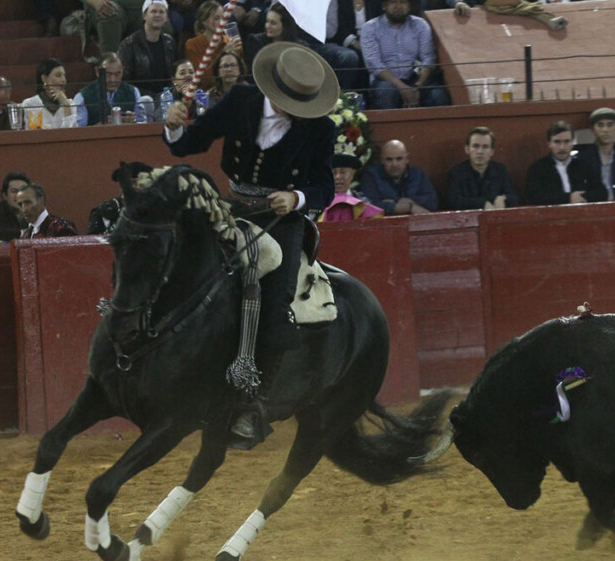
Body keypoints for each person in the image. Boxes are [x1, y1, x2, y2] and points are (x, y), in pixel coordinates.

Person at [163, 42, 338, 441]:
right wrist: (174, 125)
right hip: (233, 207)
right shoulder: (242, 99)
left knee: (276, 304)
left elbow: (325, 186)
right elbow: (189, 143)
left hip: (282, 221)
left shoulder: (320, 128)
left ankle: (254, 402)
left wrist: (296, 198)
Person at [360, 0, 449, 109]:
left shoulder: (420, 25)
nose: (398, 6)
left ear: (409, 6)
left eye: (402, 2)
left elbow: (428, 58)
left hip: (416, 79)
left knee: (438, 94)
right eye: (393, 2)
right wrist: (402, 87)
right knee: (386, 91)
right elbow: (374, 64)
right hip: (386, 80)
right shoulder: (370, 28)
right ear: (384, 6)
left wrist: (418, 86)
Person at [525, 120, 607, 206]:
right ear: (549, 144)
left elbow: (601, 193)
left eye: (566, 141)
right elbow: (534, 197)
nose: (562, 147)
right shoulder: (538, 168)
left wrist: (581, 198)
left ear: (572, 143)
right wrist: (569, 198)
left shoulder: (584, 166)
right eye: (557, 142)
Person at [446, 126, 520, 211]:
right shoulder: (457, 172)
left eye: (485, 147)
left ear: (492, 151)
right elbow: (454, 201)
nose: (480, 152)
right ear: (467, 149)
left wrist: (503, 198)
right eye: (475, 146)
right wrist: (482, 203)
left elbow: (514, 197)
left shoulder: (500, 170)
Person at [359, 139, 438, 214]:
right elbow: (368, 206)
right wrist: (408, 207)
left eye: (399, 159)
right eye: (389, 159)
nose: (394, 164)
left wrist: (409, 201)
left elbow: (433, 202)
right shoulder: (371, 176)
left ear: (406, 159)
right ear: (382, 160)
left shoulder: (417, 174)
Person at [118, 0, 176, 95]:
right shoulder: (128, 44)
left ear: (166, 18)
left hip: (165, 98)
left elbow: (172, 76)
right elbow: (125, 82)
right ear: (144, 16)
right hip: (139, 99)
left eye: (161, 12)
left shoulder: (169, 42)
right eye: (153, 11)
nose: (157, 15)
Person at [75, 52, 149, 126]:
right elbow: (78, 131)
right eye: (108, 74)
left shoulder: (133, 92)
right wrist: (99, 127)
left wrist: (133, 122)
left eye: (118, 74)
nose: (113, 79)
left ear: (123, 71)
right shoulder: (83, 97)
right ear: (97, 72)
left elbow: (143, 125)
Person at [184, 1, 241, 92]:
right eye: (217, 18)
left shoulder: (230, 42)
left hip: (231, 91)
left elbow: (241, 72)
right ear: (204, 21)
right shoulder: (193, 44)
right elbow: (201, 79)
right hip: (205, 93)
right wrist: (223, 54)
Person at [318, 153, 384, 221]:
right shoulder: (318, 202)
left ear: (352, 175)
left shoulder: (363, 201)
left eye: (343, 172)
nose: (337, 177)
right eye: (333, 173)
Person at [21, 57, 78, 129]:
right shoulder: (30, 104)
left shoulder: (70, 104)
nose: (64, 80)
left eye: (64, 76)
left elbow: (72, 135)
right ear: (44, 79)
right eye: (58, 75)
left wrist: (65, 105)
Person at [242, 3, 299, 72]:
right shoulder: (256, 42)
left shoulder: (299, 47)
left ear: (285, 26)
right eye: (267, 21)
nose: (268, 26)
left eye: (273, 23)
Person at [83, 0, 154, 55]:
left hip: (143, 8)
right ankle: (109, 68)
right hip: (110, 6)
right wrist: (95, 2)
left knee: (159, 13)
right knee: (109, 12)